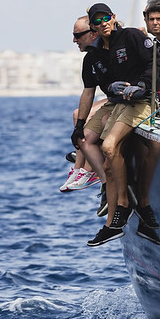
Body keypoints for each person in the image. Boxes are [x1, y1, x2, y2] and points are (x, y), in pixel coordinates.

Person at [70, 3, 157, 246]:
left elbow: (154, 62)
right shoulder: (97, 54)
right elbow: (98, 88)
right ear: (93, 27)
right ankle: (111, 218)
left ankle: (124, 204)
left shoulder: (130, 36)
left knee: (109, 147)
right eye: (97, 21)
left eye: (106, 18)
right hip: (119, 102)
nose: (103, 23)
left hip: (141, 100)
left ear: (114, 18)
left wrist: (141, 86)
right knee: (97, 153)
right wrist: (79, 125)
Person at [60, 16, 107, 193]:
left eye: (77, 35)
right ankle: (79, 169)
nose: (74, 40)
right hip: (112, 98)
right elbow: (88, 91)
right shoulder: (90, 58)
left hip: (123, 98)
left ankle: (89, 170)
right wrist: (78, 126)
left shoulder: (108, 49)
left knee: (90, 118)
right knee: (77, 114)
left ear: (93, 34)